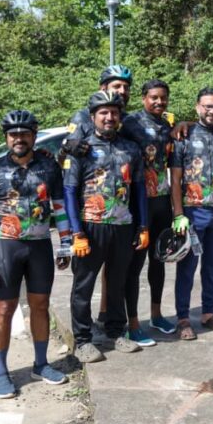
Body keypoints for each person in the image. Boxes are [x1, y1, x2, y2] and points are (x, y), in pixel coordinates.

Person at [0, 110, 71, 398]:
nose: (19, 138)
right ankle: (0, 371)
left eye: (25, 133)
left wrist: (65, 244)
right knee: (4, 309)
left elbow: (59, 208)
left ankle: (41, 364)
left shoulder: (49, 167)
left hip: (40, 245)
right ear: (6, 138)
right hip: (7, 246)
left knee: (40, 305)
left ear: (34, 136)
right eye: (13, 134)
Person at [64, 91, 149, 362]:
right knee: (84, 285)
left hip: (123, 224)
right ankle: (82, 340)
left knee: (117, 281)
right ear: (92, 117)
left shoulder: (131, 148)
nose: (109, 117)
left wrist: (143, 225)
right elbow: (69, 191)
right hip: (91, 226)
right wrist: (76, 232)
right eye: (103, 112)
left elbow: (139, 190)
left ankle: (115, 331)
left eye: (114, 112)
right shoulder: (81, 149)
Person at [59, 64, 133, 331]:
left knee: (116, 277)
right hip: (89, 213)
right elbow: (65, 155)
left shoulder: (128, 119)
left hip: (121, 212)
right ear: (103, 87)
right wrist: (75, 231)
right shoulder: (82, 116)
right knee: (85, 278)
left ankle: (111, 323)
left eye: (126, 87)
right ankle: (82, 334)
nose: (122, 90)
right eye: (116, 85)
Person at [169, 87, 213, 340]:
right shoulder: (184, 136)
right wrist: (178, 214)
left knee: (212, 266)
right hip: (191, 212)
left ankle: (208, 313)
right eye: (207, 106)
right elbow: (175, 180)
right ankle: (183, 318)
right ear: (198, 107)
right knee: (187, 267)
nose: (212, 110)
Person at [120, 80, 176, 344]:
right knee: (134, 265)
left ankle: (156, 315)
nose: (159, 102)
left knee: (158, 260)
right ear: (144, 98)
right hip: (137, 203)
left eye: (163, 98)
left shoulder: (167, 125)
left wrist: (184, 124)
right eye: (154, 97)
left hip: (162, 201)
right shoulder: (129, 123)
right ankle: (132, 323)